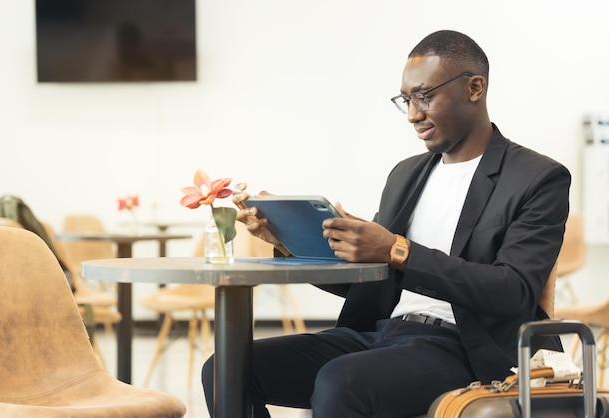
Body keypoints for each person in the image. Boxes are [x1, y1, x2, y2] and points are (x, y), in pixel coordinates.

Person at [202, 29, 571, 418]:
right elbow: (372, 279)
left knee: (340, 380)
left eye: (424, 96)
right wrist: (290, 239)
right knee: (226, 369)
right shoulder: (406, 174)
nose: (413, 114)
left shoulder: (536, 177)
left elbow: (513, 291)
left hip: (466, 348)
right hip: (384, 333)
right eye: (406, 99)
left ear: (474, 88)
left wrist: (397, 249)